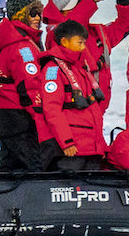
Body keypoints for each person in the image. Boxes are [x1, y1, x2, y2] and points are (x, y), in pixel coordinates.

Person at [0, 0, 63, 173]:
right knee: (33, 168)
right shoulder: (23, 46)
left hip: (5, 116)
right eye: (32, 13)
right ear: (21, 15)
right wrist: (43, 119)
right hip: (21, 118)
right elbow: (30, 87)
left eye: (39, 13)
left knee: (11, 167)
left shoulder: (8, 40)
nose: (38, 18)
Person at [40, 17, 112, 168]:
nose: (83, 47)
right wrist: (67, 142)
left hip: (92, 148)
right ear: (65, 41)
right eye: (80, 43)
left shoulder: (81, 68)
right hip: (72, 149)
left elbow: (92, 109)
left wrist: (101, 145)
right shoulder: (53, 69)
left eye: (84, 43)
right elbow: (52, 109)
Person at [44, 0, 129, 80]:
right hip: (75, 96)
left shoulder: (97, 33)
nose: (79, 7)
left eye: (80, 3)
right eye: (75, 5)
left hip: (100, 96)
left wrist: (122, 1)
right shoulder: (55, 35)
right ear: (60, 12)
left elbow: (126, 25)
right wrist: (92, 1)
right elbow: (68, 27)